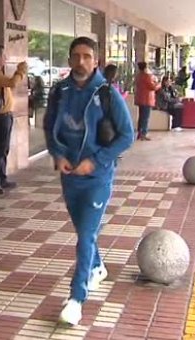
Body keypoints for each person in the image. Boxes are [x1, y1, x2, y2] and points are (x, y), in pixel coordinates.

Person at [44, 37, 134, 326]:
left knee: (85, 235)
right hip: (69, 177)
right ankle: (97, 267)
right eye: (76, 56)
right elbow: (48, 126)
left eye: (87, 56)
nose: (81, 61)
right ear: (69, 60)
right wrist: (58, 154)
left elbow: (126, 136)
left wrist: (95, 161)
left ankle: (76, 299)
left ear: (96, 61)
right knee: (85, 231)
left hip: (97, 177)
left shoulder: (107, 93)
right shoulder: (60, 91)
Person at [0, 45, 28, 194]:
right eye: (4, 55)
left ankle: (1, 178)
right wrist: (20, 71)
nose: (6, 58)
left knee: (4, 148)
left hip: (6, 115)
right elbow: (12, 83)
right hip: (0, 116)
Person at [134, 61, 160, 141]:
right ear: (145, 68)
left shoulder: (138, 76)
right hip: (147, 99)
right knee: (145, 117)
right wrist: (159, 84)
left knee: (141, 117)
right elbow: (153, 87)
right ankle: (143, 134)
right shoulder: (147, 76)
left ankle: (139, 133)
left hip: (140, 98)